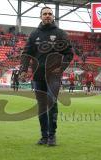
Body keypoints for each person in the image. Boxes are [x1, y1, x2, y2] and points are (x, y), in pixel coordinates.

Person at [19, 6, 73, 146]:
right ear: (40, 16)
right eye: (45, 14)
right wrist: (23, 70)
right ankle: (44, 136)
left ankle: (52, 135)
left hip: (53, 77)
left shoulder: (61, 34)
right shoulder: (34, 34)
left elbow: (69, 53)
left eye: (50, 14)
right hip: (38, 77)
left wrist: (61, 68)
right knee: (42, 106)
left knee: (52, 105)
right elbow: (26, 53)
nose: (47, 16)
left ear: (53, 16)